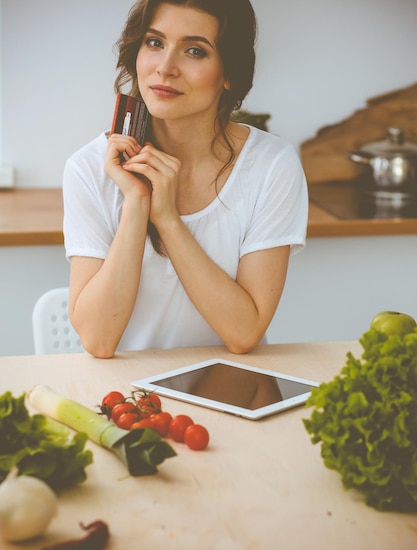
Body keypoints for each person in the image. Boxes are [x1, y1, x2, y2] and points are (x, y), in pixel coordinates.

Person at [63, 0, 308, 359]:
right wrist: (136, 203)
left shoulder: (272, 165)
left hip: (230, 389)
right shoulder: (88, 168)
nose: (165, 67)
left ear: (229, 73)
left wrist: (167, 219)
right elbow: (99, 341)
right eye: (154, 42)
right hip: (126, 399)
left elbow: (243, 333)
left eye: (194, 50)